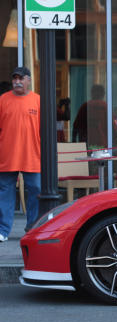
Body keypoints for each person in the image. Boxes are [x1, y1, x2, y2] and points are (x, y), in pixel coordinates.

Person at [0, 67, 41, 239]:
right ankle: (3, 230)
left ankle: (32, 227)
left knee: (37, 189)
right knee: (5, 191)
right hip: (7, 155)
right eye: (14, 78)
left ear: (28, 80)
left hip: (32, 155)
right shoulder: (3, 100)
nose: (17, 81)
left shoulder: (38, 100)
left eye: (21, 78)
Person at [72, 84, 108, 148]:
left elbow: (76, 126)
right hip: (101, 142)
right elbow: (113, 127)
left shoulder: (85, 106)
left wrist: (73, 141)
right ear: (103, 94)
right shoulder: (104, 106)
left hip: (86, 142)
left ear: (92, 93)